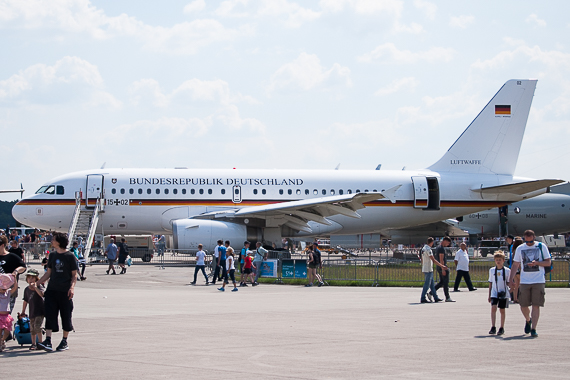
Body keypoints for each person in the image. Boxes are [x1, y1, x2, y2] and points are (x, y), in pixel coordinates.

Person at [36, 232, 77, 352]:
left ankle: (64, 341)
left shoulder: (70, 256)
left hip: (65, 291)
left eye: (53, 239)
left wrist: (72, 288)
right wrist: (37, 283)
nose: (52, 241)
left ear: (59, 242)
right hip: (52, 290)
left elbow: (74, 275)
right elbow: (48, 273)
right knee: (50, 314)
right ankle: (48, 340)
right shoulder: (52, 255)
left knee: (66, 315)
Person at [508, 230, 551, 338]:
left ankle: (534, 329)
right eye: (527, 242)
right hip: (525, 281)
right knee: (523, 305)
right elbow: (515, 264)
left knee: (536, 305)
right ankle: (528, 320)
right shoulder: (520, 248)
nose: (529, 243)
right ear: (524, 239)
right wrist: (510, 279)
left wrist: (537, 263)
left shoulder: (541, 246)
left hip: (538, 280)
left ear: (534, 238)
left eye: (531, 241)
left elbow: (548, 262)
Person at [0, 235, 27, 314]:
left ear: (2, 245)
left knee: (6, 315)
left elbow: (23, 267)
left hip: (9, 291)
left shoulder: (12, 256)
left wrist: (16, 271)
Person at [21, 268, 45, 350]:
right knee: (32, 329)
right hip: (32, 311)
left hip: (40, 311)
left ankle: (40, 343)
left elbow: (42, 295)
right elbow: (25, 301)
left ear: (36, 279)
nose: (30, 279)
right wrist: (23, 311)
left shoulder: (39, 286)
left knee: (37, 326)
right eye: (29, 278)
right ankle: (33, 343)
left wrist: (36, 288)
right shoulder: (27, 289)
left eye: (32, 278)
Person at [488, 251, 510, 335]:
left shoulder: (507, 271)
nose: (498, 261)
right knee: (493, 308)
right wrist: (489, 294)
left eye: (500, 260)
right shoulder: (492, 270)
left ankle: (502, 327)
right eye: (496, 260)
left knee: (502, 310)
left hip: (503, 292)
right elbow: (490, 282)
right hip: (494, 292)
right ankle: (493, 326)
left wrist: (512, 286)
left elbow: (508, 282)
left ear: (503, 260)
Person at [420, 237, 446, 303]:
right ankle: (423, 298)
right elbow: (433, 260)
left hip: (426, 268)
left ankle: (435, 297)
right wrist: (442, 266)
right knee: (427, 284)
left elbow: (422, 259)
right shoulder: (428, 249)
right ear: (431, 242)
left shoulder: (423, 248)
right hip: (428, 269)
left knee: (432, 285)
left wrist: (423, 266)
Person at [433, 237, 455, 302]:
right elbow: (441, 259)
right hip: (442, 267)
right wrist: (443, 269)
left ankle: (431, 292)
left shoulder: (438, 247)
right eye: (448, 243)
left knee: (441, 282)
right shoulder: (441, 249)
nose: (448, 244)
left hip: (439, 267)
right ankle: (447, 297)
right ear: (445, 241)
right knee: (445, 283)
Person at [0, 274, 17, 351]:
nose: (3, 290)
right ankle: (0, 342)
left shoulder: (8, 293)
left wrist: (15, 279)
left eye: (4, 288)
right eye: (2, 289)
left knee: (7, 331)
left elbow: (15, 288)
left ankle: (2, 340)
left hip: (6, 315)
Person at [509, 237, 523, 303]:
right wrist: (521, 268)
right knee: (519, 284)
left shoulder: (513, 250)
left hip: (514, 269)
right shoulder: (519, 251)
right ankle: (518, 297)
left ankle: (515, 298)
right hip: (518, 269)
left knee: (516, 284)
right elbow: (518, 262)